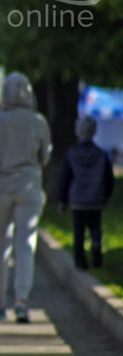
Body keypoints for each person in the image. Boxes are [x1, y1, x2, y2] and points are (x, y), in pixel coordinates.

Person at [0, 74, 51, 323]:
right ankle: (22, 301)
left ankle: (0, 300)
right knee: (26, 244)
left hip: (0, 188)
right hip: (29, 186)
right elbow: (45, 156)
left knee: (0, 244)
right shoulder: (39, 121)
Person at [58, 115, 115, 271]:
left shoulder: (72, 153)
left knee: (79, 231)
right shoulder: (101, 154)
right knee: (95, 227)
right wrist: (106, 196)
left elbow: (65, 178)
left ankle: (80, 260)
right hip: (96, 198)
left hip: (78, 199)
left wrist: (62, 200)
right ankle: (96, 247)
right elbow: (108, 178)